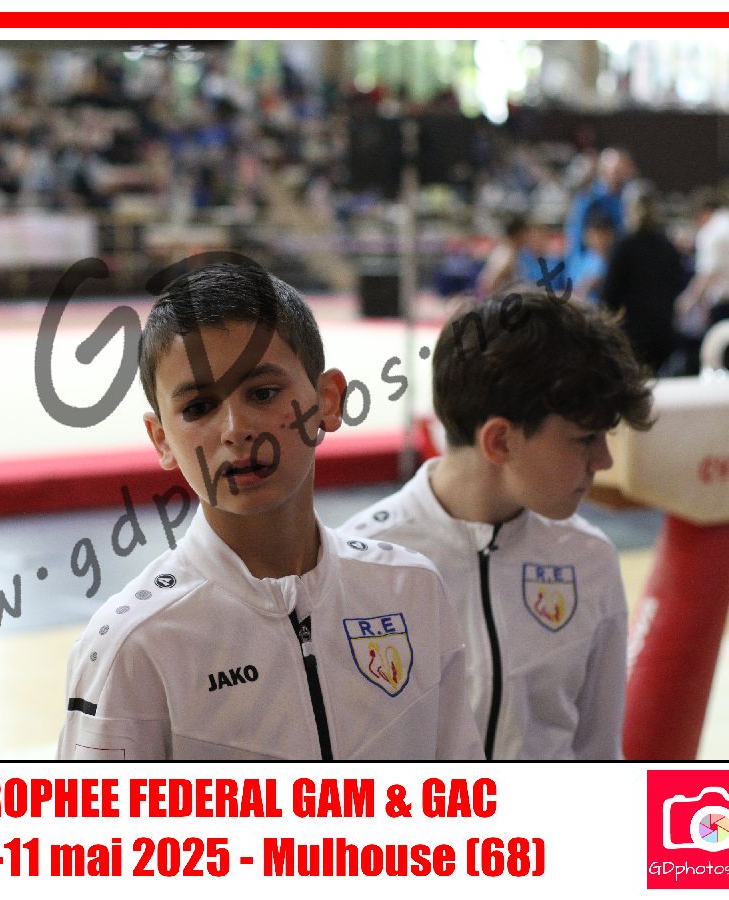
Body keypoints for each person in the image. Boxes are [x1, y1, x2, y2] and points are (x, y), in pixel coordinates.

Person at [57, 263, 483, 760]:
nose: (235, 429)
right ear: (162, 439)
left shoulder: (412, 589)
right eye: (197, 408)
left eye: (262, 393)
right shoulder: (134, 646)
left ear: (327, 401)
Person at [342, 290, 654, 760]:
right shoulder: (357, 563)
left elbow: (600, 754)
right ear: (501, 442)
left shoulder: (589, 559)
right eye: (586, 438)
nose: (604, 460)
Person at [674, 189, 729, 372]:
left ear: (703, 213)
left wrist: (687, 302)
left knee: (720, 363)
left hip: (726, 308)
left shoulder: (712, 231)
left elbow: (707, 274)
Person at [601, 182, 687, 373]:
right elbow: (677, 284)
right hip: (662, 330)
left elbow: (610, 293)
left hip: (631, 332)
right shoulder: (667, 246)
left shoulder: (624, 245)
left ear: (628, 209)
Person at [564, 147, 633, 283]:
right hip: (592, 273)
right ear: (602, 170)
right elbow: (575, 245)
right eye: (615, 170)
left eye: (622, 170)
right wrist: (579, 276)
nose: (619, 175)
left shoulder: (628, 200)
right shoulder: (588, 200)